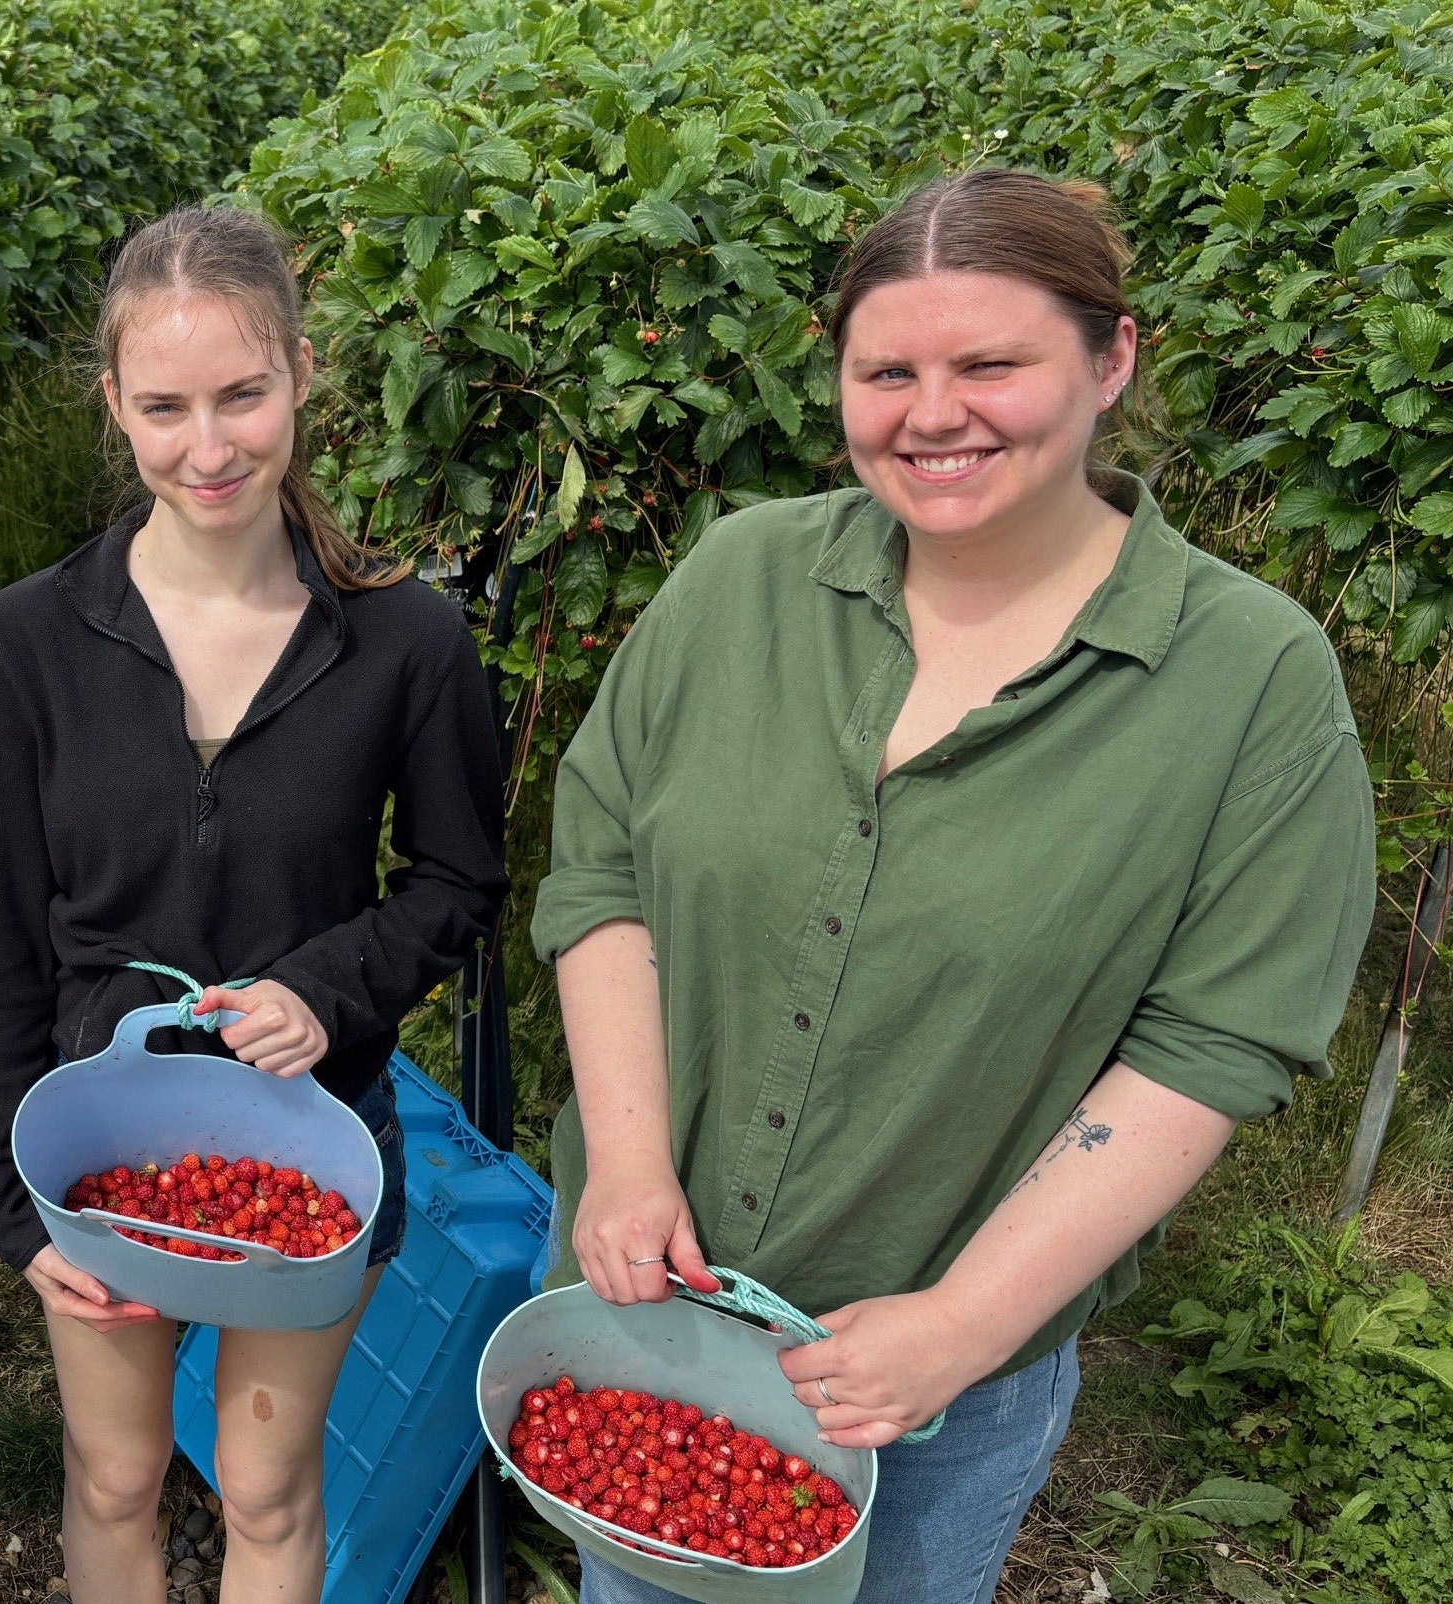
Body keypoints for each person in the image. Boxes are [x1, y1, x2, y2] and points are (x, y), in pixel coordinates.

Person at [536, 169, 1376, 1602]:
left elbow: (1212, 1043)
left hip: (933, 1391)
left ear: (1112, 360)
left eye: (992, 363)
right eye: (889, 371)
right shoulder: (742, 580)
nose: (935, 414)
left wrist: (961, 1325)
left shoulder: (1252, 681)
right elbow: (602, 861)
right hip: (647, 1315)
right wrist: (625, 1163)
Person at [0, 206, 509, 1604]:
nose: (210, 448)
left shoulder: (405, 641)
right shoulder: (29, 641)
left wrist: (326, 993)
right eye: (167, 407)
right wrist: (15, 1214)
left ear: (304, 377)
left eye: (243, 395)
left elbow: (456, 883)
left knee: (263, 1484)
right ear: (115, 409)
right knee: (116, 1475)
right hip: (100, 1139)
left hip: (311, 1142)